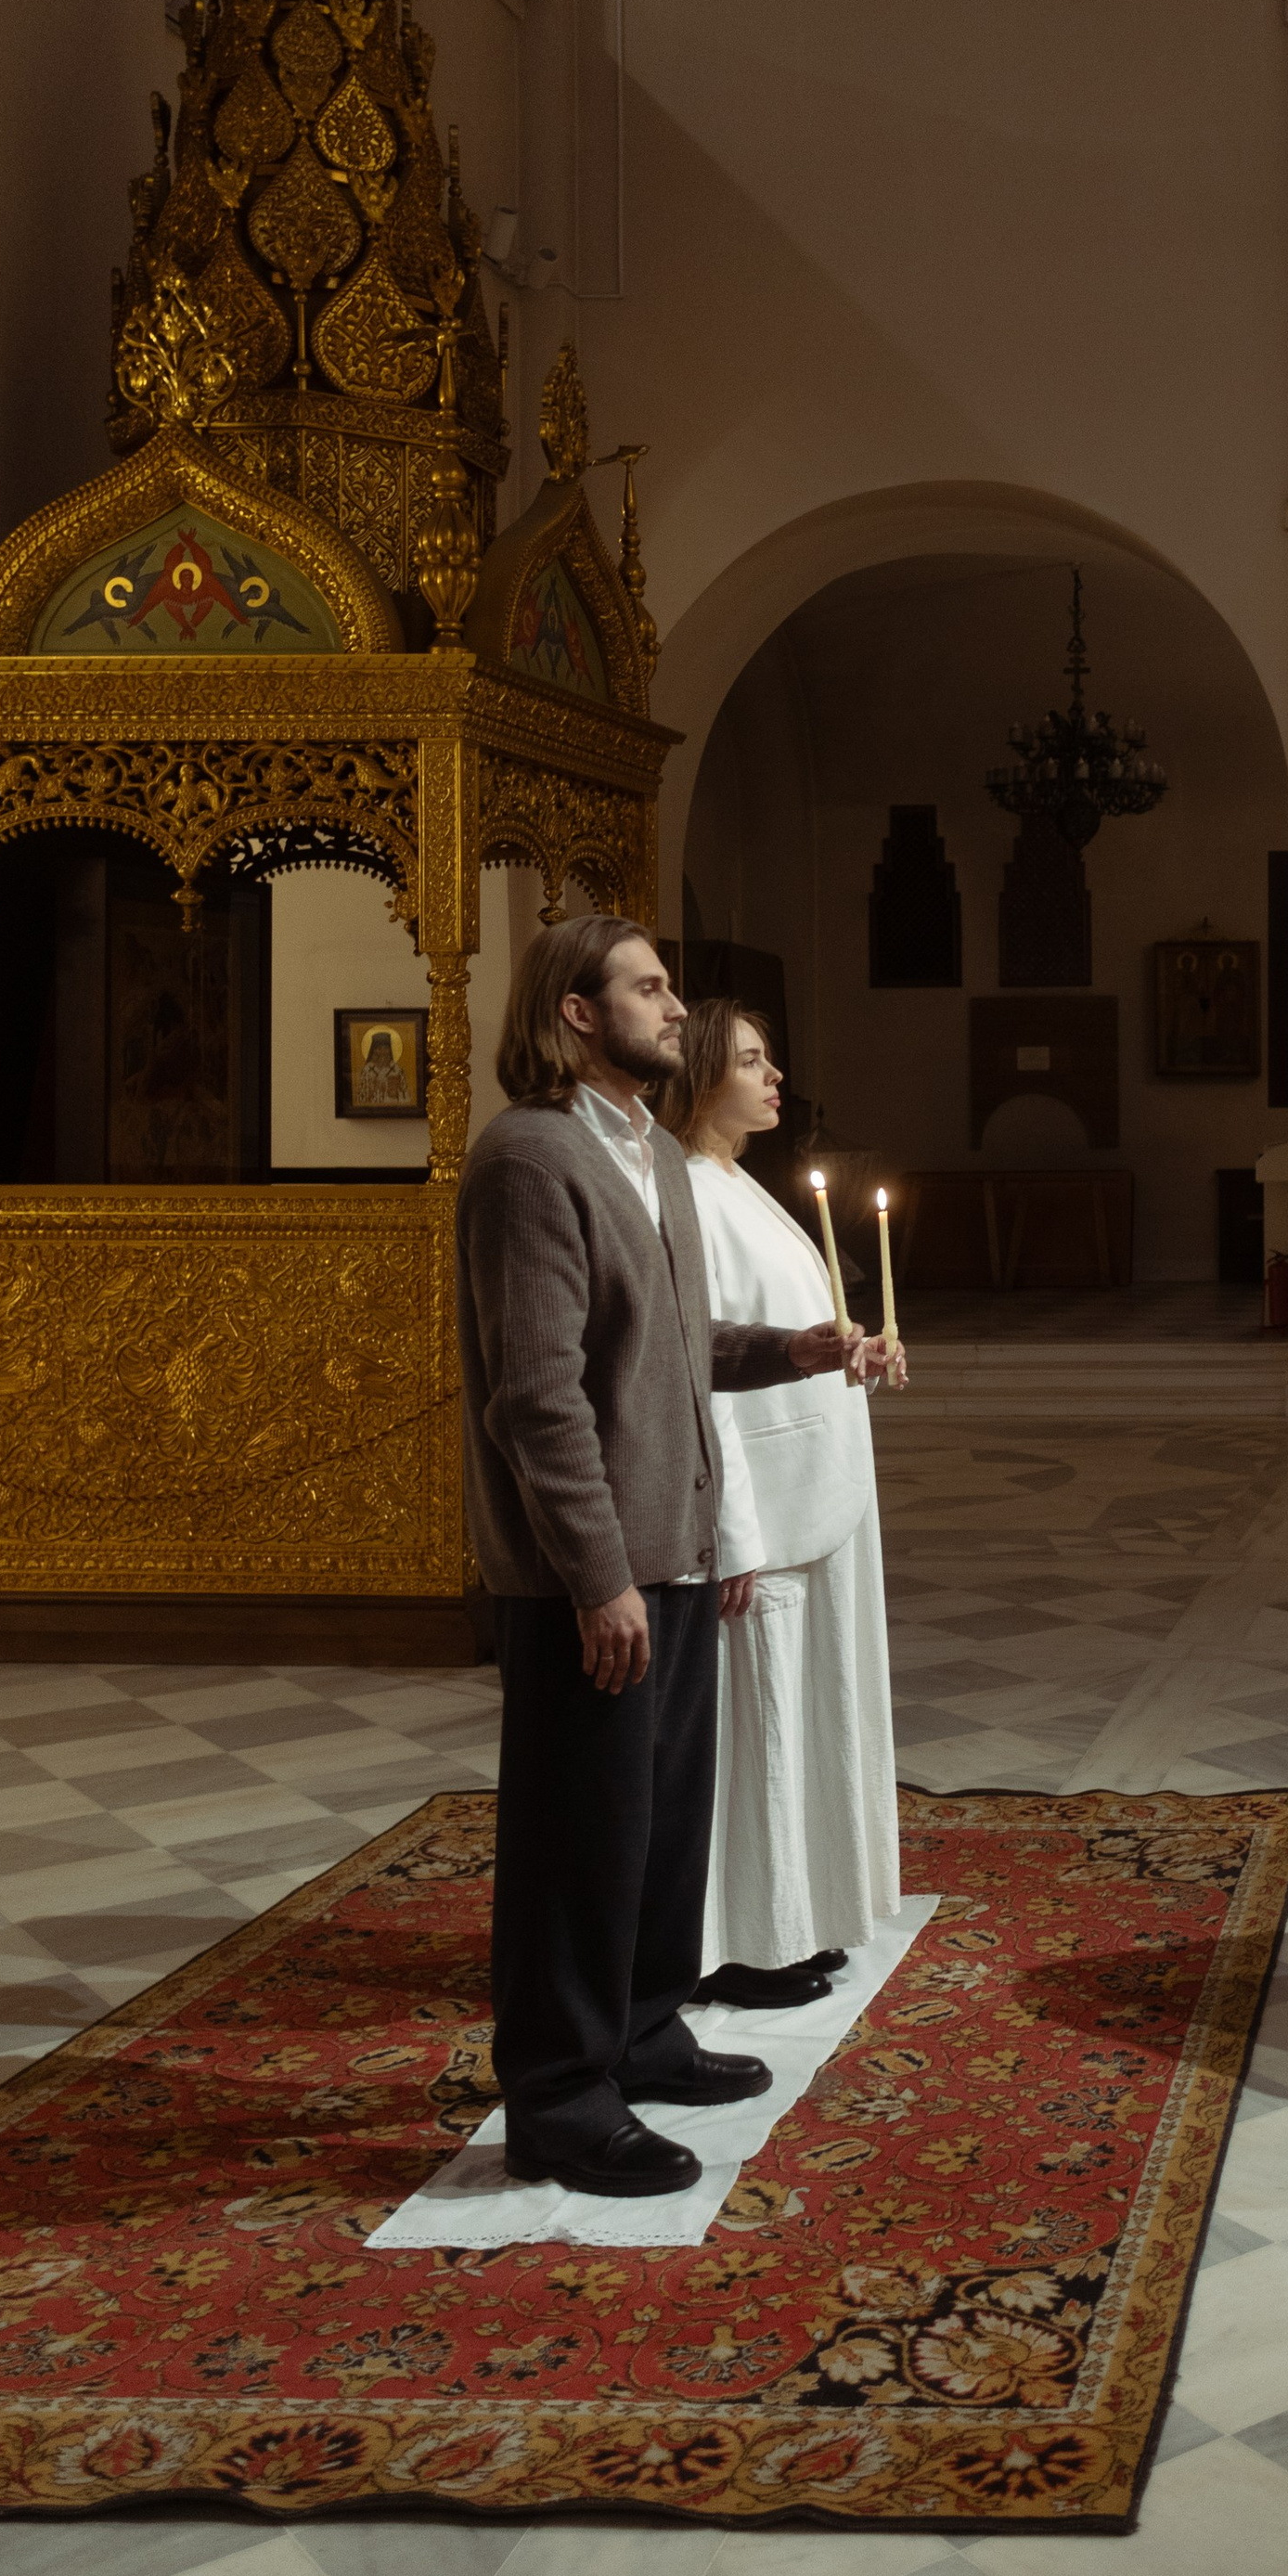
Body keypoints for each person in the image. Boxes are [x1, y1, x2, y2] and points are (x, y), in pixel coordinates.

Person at [457, 916, 873, 2197]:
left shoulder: (649, 1155)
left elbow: (672, 1350)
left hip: (677, 1552)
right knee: (577, 1844)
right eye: (647, 987)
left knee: (659, 1827)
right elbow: (539, 1396)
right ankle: (561, 2098)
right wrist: (597, 1577)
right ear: (577, 1013)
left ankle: (642, 2031)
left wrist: (787, 1351)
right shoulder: (532, 1161)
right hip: (601, 1576)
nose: (674, 1006)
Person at [655, 1002, 908, 2011]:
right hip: (759, 1504)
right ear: (702, 1074)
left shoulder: (742, 1185)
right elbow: (700, 1375)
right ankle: (740, 1943)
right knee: (755, 1724)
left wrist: (858, 1352)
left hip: (821, 1489)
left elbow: (795, 1336)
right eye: (750, 1061)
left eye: (769, 1059)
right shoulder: (683, 1192)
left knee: (806, 1713)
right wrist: (730, 1531)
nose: (774, 1077)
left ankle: (795, 1916)